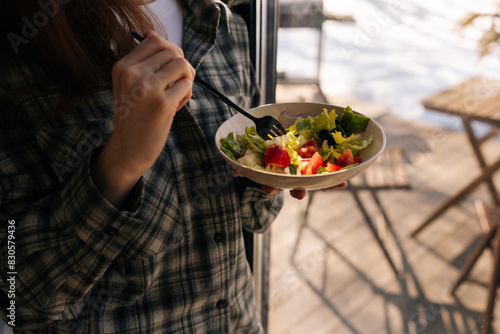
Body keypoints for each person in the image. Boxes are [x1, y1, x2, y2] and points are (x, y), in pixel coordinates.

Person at [0, 0, 345, 332]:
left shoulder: (225, 25)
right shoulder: (23, 53)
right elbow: (17, 300)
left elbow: (257, 218)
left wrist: (270, 175)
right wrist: (119, 165)